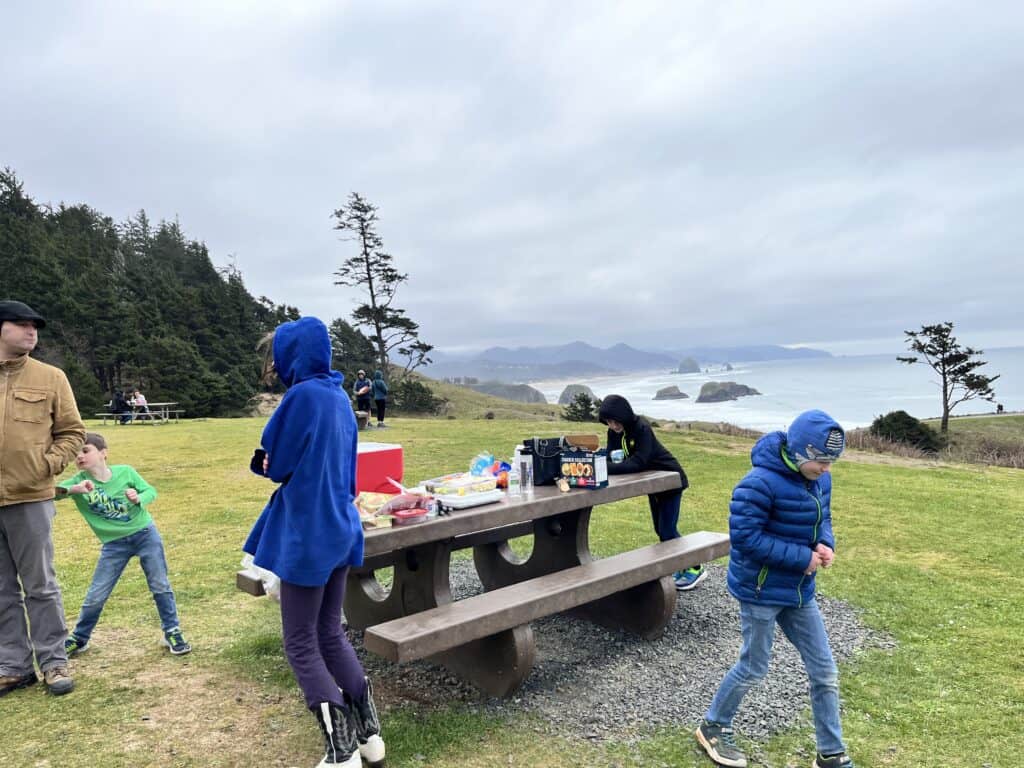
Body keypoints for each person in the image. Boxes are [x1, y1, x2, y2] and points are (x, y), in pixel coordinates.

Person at [244, 317, 384, 768]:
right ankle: (369, 736)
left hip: (309, 534)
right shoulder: (340, 395)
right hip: (341, 526)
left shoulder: (301, 396)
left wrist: (264, 463)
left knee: (301, 641)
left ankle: (341, 752)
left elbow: (278, 463)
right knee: (330, 632)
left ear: (293, 356)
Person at [695, 409, 853, 768]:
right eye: (820, 460)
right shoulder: (757, 484)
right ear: (799, 452)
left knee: (825, 671)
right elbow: (745, 539)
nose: (826, 468)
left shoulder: (820, 479)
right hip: (761, 591)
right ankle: (713, 726)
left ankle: (830, 754)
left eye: (832, 461)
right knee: (754, 666)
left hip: (799, 591)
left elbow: (823, 517)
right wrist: (801, 558)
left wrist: (825, 543)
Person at [0, 299, 85, 697]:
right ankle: (13, 666)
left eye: (34, 325)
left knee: (41, 585)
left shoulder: (51, 377)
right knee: (2, 590)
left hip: (30, 496)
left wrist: (47, 465)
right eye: (21, 323)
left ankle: (53, 662)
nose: (31, 330)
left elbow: (72, 432)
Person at [56, 433, 191, 657]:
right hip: (114, 545)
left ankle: (172, 631)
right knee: (97, 594)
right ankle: (80, 638)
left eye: (85, 450)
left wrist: (139, 498)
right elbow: (51, 493)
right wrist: (73, 490)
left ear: (103, 453)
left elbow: (151, 491)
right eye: (76, 453)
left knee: (160, 585)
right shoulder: (77, 482)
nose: (79, 456)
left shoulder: (125, 472)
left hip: (145, 535)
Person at [598, 394, 703, 591]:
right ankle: (680, 565)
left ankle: (695, 567)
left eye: (615, 421)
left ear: (624, 415)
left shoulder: (642, 428)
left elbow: (639, 461)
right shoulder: (613, 433)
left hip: (671, 481)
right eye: (608, 422)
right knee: (661, 530)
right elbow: (611, 457)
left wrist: (606, 467)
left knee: (667, 530)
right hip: (652, 485)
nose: (613, 425)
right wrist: (601, 462)